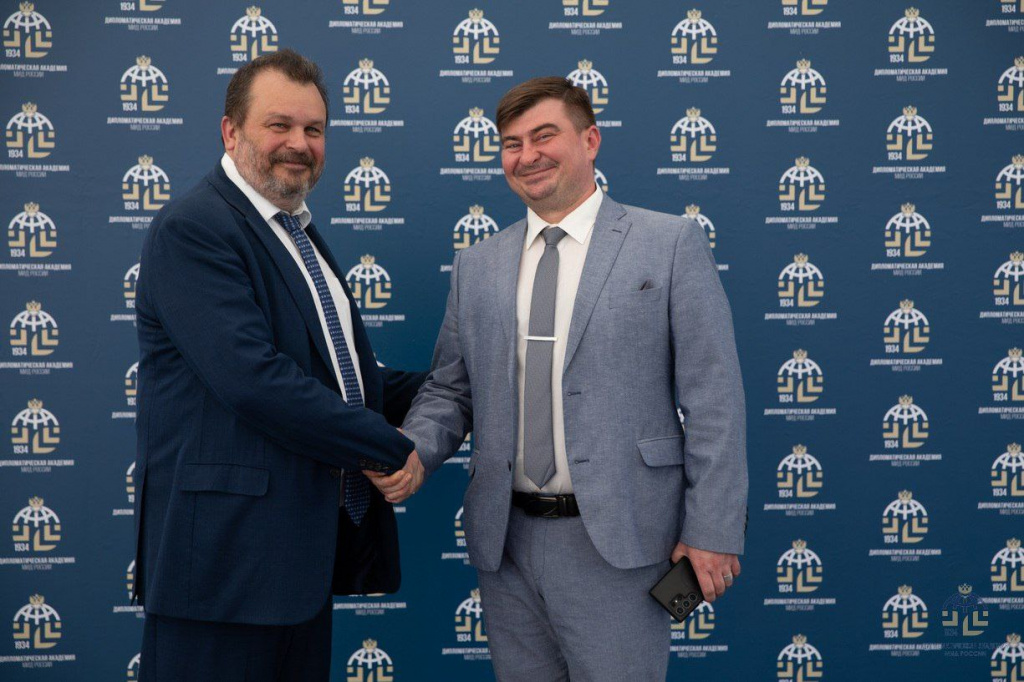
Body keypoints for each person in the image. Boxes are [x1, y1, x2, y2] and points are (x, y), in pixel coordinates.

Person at [370, 77, 747, 680]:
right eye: (512, 144)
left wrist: (713, 529)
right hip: (506, 543)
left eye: (544, 136)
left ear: (590, 140)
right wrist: (412, 452)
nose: (528, 155)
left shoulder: (669, 243)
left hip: (623, 542)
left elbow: (715, 401)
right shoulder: (477, 265)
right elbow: (451, 389)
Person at [132, 49, 423, 681]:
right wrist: (391, 448)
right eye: (279, 125)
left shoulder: (294, 230)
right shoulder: (195, 228)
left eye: (314, 129)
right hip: (223, 571)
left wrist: (465, 385)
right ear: (230, 131)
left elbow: (340, 381)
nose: (299, 143)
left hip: (293, 567)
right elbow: (256, 382)